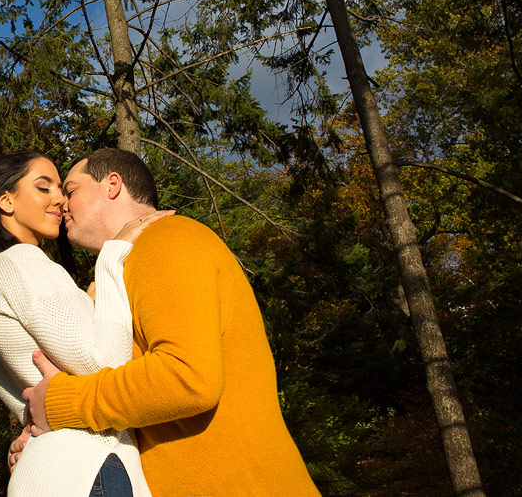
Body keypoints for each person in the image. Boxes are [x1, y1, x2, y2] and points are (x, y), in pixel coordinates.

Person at [20, 148, 320, 497]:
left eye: (70, 190)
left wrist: (63, 404)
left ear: (112, 185)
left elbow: (188, 377)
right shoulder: (120, 274)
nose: (62, 203)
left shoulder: (166, 240)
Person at [0, 151, 163, 496]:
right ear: (6, 200)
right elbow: (104, 361)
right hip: (88, 465)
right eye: (44, 188)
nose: (60, 199)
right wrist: (113, 259)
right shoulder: (19, 262)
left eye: (62, 189)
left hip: (54, 467)